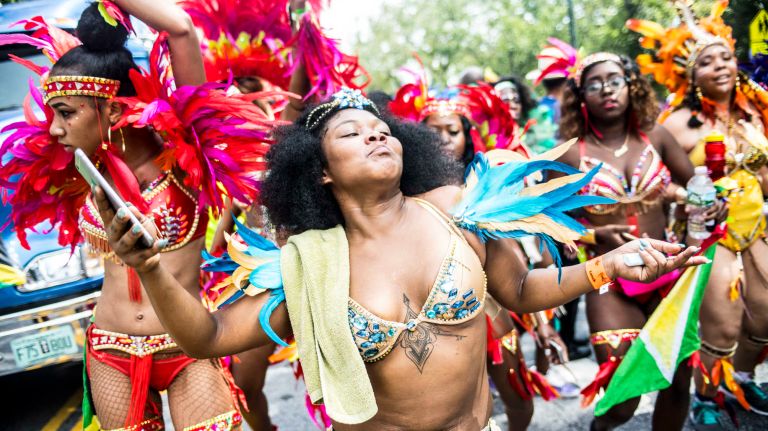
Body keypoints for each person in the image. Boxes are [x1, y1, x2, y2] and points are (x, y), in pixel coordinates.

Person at [94, 87, 706, 431]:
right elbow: (208, 336)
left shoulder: (456, 211)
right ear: (322, 174)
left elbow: (519, 290)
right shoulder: (309, 262)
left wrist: (607, 266)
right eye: (351, 135)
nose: (376, 135)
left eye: (381, 128)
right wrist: (150, 269)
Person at [0, 1, 279, 429]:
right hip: (111, 348)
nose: (53, 129)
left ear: (112, 110)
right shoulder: (87, 167)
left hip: (187, 344)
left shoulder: (186, 153)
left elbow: (182, 30)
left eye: (66, 113)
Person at [629, 2, 768, 428]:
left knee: (764, 316)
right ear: (690, 76)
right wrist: (686, 195)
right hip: (710, 233)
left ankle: (739, 379)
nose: (720, 66)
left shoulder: (757, 111)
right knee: (723, 328)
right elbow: (653, 179)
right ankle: (706, 397)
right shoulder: (675, 124)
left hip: (758, 227)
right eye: (706, 62)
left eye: (725, 56)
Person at [557, 50, 708, 431]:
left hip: (668, 273)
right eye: (594, 84)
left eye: (614, 80)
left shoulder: (656, 136)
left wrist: (702, 206)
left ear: (630, 85)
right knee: (624, 396)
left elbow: (698, 189)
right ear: (580, 95)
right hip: (609, 283)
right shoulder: (572, 152)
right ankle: (600, 427)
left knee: (676, 383)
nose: (606, 90)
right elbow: (550, 225)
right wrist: (596, 233)